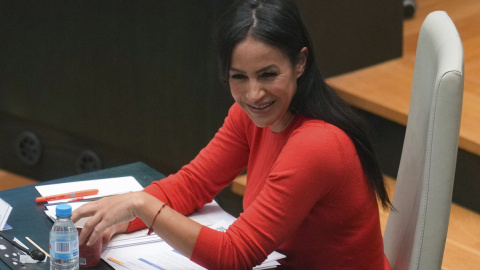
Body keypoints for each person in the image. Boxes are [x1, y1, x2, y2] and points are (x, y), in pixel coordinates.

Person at [71, 0, 392, 269]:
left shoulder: (317, 144)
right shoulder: (250, 116)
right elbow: (193, 185)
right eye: (239, 77)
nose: (254, 94)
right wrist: (118, 220)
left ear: (300, 63)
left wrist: (141, 205)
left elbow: (235, 255)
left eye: (268, 74)